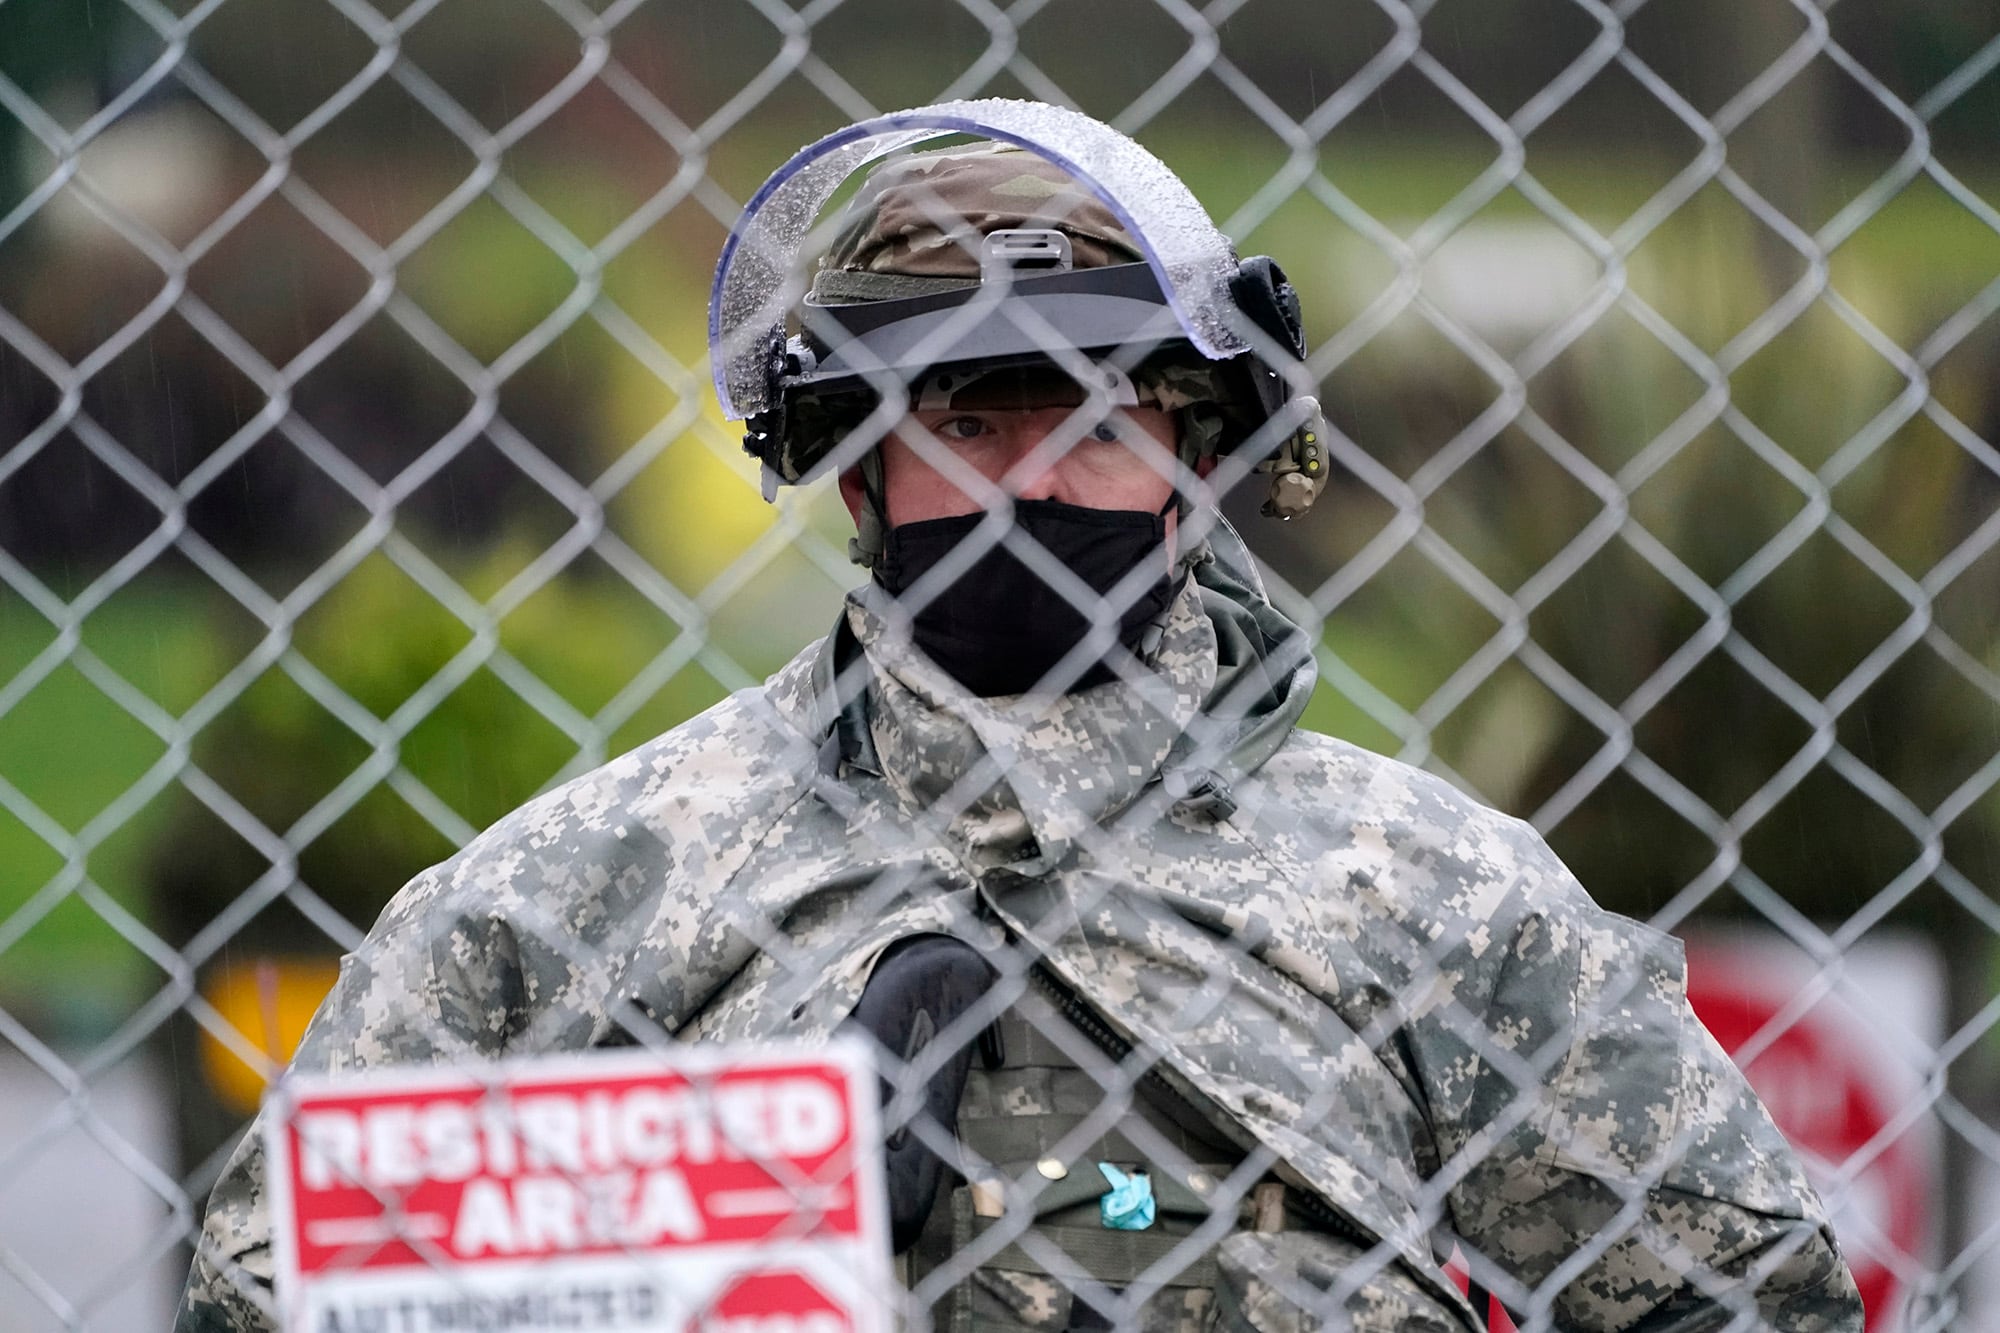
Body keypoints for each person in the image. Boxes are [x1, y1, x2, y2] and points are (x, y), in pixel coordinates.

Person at [177, 102, 1862, 1332]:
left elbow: (1748, 1297)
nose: (1036, 479)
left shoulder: (1429, 889)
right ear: (858, 468)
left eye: (1105, 424)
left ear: (1196, 468)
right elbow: (274, 1284)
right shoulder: (587, 891)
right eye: (973, 419)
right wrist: (715, 1229)